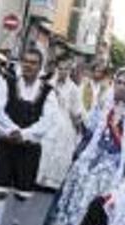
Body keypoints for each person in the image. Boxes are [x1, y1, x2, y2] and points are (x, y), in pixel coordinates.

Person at [40, 67, 125, 225]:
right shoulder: (105, 105)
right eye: (119, 82)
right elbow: (91, 129)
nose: (122, 87)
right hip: (96, 156)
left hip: (117, 163)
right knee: (80, 190)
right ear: (114, 84)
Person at [0, 47, 59, 225]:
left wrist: (24, 135)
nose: (28, 65)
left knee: (23, 193)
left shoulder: (47, 90)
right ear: (21, 62)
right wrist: (12, 130)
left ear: (40, 66)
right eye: (26, 61)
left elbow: (49, 119)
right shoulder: (9, 82)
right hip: (8, 143)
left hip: (30, 147)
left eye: (33, 62)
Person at [37, 57, 82, 190]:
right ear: (57, 69)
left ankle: (53, 184)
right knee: (45, 150)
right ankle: (39, 180)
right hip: (48, 123)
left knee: (60, 153)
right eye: (60, 68)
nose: (62, 71)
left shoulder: (74, 89)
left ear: (69, 71)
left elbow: (77, 110)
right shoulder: (48, 85)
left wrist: (77, 125)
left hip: (65, 127)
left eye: (66, 69)